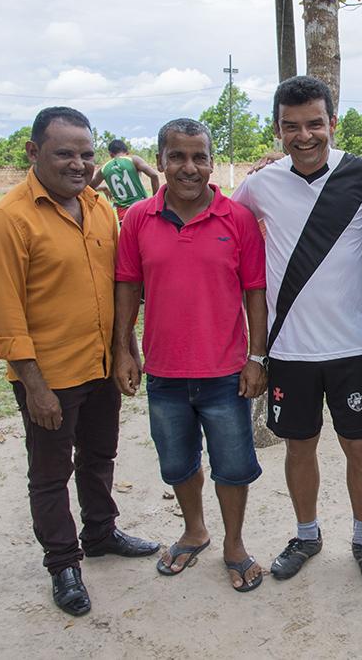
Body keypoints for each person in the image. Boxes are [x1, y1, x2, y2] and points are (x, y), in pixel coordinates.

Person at [0, 107, 159, 617]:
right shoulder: (5, 222)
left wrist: (128, 346)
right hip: (48, 377)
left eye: (85, 154)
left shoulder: (99, 207)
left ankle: (100, 533)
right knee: (50, 473)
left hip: (100, 366)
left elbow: (121, 286)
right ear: (33, 153)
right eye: (64, 154)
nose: (78, 165)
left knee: (100, 456)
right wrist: (33, 385)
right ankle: (63, 563)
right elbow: (6, 317)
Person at [233, 76, 362, 589]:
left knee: (359, 445)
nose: (304, 136)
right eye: (291, 126)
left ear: (332, 123)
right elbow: (225, 230)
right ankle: (306, 534)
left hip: (351, 346)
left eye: (314, 124)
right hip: (289, 350)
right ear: (278, 129)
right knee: (298, 447)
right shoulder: (259, 185)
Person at [111, 118, 268, 591]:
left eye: (199, 156)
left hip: (226, 373)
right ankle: (195, 529)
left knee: (233, 465)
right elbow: (127, 285)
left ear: (211, 162)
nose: (188, 166)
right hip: (164, 373)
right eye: (177, 156)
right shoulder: (137, 218)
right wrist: (124, 349)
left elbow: (255, 291)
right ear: (159, 161)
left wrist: (257, 357)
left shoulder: (236, 219)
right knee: (178, 464)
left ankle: (234, 544)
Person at [90, 139, 160, 223]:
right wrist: (154, 200)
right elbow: (154, 175)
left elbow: (89, 186)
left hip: (123, 215)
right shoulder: (132, 160)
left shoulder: (104, 168)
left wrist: (103, 188)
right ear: (127, 152)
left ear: (110, 154)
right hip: (140, 209)